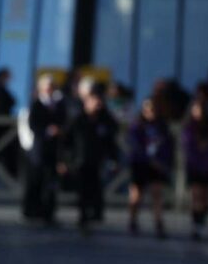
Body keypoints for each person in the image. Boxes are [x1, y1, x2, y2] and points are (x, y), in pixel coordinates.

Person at [62, 82, 118, 234]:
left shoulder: (104, 120)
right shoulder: (78, 119)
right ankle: (83, 217)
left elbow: (111, 138)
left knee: (97, 188)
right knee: (83, 190)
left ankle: (95, 214)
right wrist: (64, 161)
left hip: (98, 161)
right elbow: (66, 142)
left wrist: (114, 159)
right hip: (80, 160)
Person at [127, 98, 173, 237]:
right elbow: (135, 146)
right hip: (141, 163)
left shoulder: (162, 126)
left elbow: (168, 146)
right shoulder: (137, 126)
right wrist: (148, 160)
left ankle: (158, 222)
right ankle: (133, 220)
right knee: (137, 194)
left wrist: (163, 162)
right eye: (147, 108)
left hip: (157, 165)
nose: (150, 112)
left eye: (153, 109)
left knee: (157, 193)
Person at [23, 75, 64, 224]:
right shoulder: (36, 103)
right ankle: (32, 211)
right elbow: (32, 125)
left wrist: (58, 130)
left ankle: (49, 212)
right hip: (39, 148)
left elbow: (64, 121)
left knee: (51, 181)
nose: (49, 89)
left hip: (53, 150)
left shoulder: (59, 104)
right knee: (35, 180)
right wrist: (47, 131)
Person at [182, 99, 208, 240]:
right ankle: (196, 225)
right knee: (196, 195)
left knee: (205, 197)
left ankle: (201, 221)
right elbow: (187, 146)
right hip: (195, 166)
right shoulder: (190, 128)